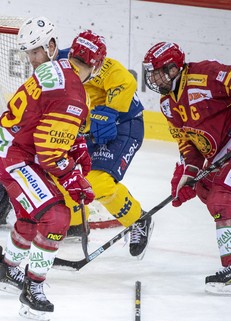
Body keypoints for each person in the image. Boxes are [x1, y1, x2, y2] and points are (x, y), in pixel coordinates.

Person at [0, 17, 94, 321]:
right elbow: (49, 151)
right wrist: (72, 175)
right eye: (28, 53)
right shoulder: (66, 83)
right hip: (16, 157)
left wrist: (74, 145)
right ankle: (32, 290)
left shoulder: (56, 75)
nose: (32, 59)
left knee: (31, 216)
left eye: (35, 51)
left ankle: (8, 267)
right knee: (57, 215)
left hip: (12, 151)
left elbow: (46, 126)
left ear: (51, 47)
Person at [142, 41, 231, 295]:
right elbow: (187, 143)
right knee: (205, 188)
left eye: (157, 71)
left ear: (174, 69)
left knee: (222, 198)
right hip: (226, 150)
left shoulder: (205, 75)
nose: (152, 78)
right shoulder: (167, 103)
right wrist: (190, 172)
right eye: (150, 72)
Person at [58, 30, 154, 259]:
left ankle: (138, 219)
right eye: (75, 60)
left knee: (99, 182)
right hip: (91, 130)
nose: (77, 67)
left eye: (83, 64)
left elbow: (126, 81)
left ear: (98, 64)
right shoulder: (60, 64)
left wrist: (110, 111)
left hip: (124, 126)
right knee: (61, 172)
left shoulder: (110, 70)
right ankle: (73, 223)